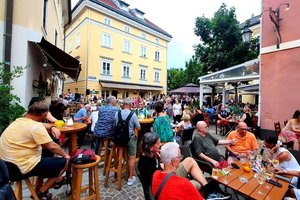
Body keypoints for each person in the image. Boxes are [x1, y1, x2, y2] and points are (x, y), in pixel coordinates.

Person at [0, 101, 69, 199]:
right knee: (66, 161)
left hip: (6, 167)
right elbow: (52, 146)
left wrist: (52, 126)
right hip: (20, 169)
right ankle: (41, 192)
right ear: (44, 115)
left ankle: (54, 181)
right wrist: (66, 155)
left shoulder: (18, 121)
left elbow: (41, 125)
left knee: (48, 153)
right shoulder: (36, 127)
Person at [138, 133, 231, 200]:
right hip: (167, 182)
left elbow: (159, 170)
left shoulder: (151, 154)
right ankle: (207, 191)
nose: (161, 144)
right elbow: (156, 180)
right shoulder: (146, 163)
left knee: (190, 160)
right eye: (158, 144)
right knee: (197, 183)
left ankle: (207, 187)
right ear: (151, 148)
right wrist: (163, 162)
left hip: (166, 173)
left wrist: (160, 159)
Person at [114, 99, 140, 186]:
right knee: (132, 157)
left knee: (121, 153)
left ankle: (117, 173)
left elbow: (115, 124)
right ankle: (130, 177)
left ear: (123, 105)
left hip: (118, 140)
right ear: (130, 105)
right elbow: (138, 127)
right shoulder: (133, 115)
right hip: (129, 139)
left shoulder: (117, 113)